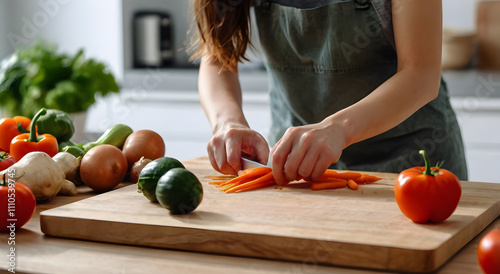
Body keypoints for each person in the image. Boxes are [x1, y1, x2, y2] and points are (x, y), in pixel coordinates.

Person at [190, 0, 468, 185]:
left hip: (412, 165)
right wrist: (227, 121)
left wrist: (337, 129)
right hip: (296, 167)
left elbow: (421, 74)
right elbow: (216, 56)